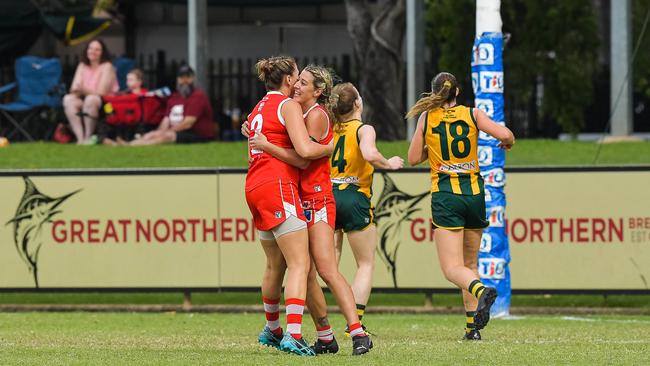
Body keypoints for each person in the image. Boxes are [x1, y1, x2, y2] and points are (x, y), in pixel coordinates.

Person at [247, 66, 372, 355]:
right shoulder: (295, 112)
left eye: (305, 83)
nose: (298, 86)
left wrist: (266, 145)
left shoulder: (315, 114)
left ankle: (358, 333)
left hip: (316, 200)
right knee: (305, 271)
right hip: (299, 198)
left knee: (326, 269)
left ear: (318, 91)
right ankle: (326, 336)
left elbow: (303, 159)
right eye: (297, 80)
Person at [406, 72, 515, 340]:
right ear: (457, 92)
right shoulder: (473, 114)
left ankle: (482, 292)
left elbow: (412, 158)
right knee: (469, 264)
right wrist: (506, 142)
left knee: (452, 269)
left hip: (447, 196)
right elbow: (506, 134)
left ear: (433, 93)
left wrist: (431, 146)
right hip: (475, 194)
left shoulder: (426, 118)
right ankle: (472, 329)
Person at [245, 56, 332, 357]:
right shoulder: (288, 106)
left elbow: (258, 148)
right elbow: (304, 154)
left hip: (254, 185)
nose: (298, 82)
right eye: (296, 76)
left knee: (275, 264)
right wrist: (338, 145)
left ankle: (273, 327)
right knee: (299, 263)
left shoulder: (257, 108)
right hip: (277, 185)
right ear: (287, 80)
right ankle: (293, 334)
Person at [329, 82, 404, 333]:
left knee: (329, 266)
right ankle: (355, 321)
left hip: (328, 195)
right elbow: (370, 155)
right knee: (365, 263)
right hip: (354, 196)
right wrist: (390, 163)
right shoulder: (363, 129)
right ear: (358, 103)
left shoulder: (329, 129)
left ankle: (319, 321)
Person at [126, 65, 214, 145]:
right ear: (177, 79)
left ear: (193, 79)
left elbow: (188, 123)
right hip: (177, 131)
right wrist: (159, 131)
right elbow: (166, 120)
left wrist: (166, 132)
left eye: (188, 77)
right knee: (151, 134)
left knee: (166, 136)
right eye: (181, 77)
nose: (184, 81)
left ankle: (136, 145)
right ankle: (129, 145)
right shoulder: (174, 97)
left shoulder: (198, 96)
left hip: (196, 134)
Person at [63, 39, 119, 144]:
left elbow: (101, 92)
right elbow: (73, 88)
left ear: (102, 52)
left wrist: (83, 89)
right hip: (84, 98)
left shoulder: (107, 66)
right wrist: (79, 90)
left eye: (97, 49)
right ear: (86, 50)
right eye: (91, 48)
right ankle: (80, 137)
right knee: (68, 99)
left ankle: (88, 136)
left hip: (105, 104)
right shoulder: (82, 65)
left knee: (91, 99)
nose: (93, 51)